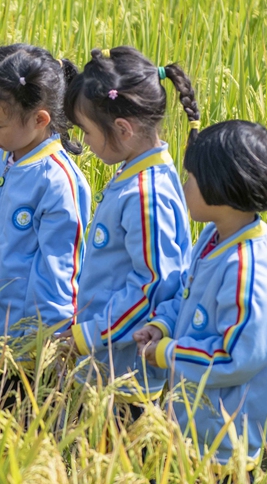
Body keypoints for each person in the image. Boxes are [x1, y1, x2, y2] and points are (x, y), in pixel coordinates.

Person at [135, 120, 267, 466]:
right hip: (190, 428)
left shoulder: (248, 270)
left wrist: (169, 353)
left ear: (223, 188)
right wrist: (162, 325)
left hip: (225, 446)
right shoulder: (213, 238)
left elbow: (234, 355)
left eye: (191, 177)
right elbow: (187, 297)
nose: (184, 184)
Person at [61, 47, 195, 400]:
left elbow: (151, 288)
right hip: (104, 365)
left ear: (122, 129)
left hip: (123, 379)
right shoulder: (137, 175)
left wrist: (87, 336)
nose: (86, 144)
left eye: (87, 133)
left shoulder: (145, 195)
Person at [0, 44, 90, 344]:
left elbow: (59, 275)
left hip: (24, 346)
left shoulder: (57, 182)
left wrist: (44, 349)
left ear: (40, 120)